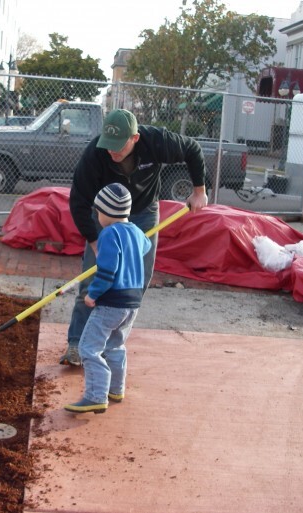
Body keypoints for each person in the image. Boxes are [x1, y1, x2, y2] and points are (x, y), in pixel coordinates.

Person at [59, 108, 208, 366]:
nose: (112, 151)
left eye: (118, 146)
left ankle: (112, 344)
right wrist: (95, 242)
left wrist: (199, 191)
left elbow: (192, 149)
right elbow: (78, 201)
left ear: (135, 138)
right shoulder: (95, 153)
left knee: (136, 279)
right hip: (104, 214)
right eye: (108, 145)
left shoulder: (156, 141)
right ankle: (76, 344)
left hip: (143, 211)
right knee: (92, 276)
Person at [64, 183, 152, 414]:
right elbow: (146, 245)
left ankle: (95, 396)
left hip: (111, 302)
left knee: (89, 348)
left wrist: (92, 295)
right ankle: (116, 389)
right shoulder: (136, 232)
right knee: (116, 345)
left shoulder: (109, 234)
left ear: (106, 212)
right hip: (133, 302)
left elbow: (107, 270)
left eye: (98, 212)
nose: (97, 217)